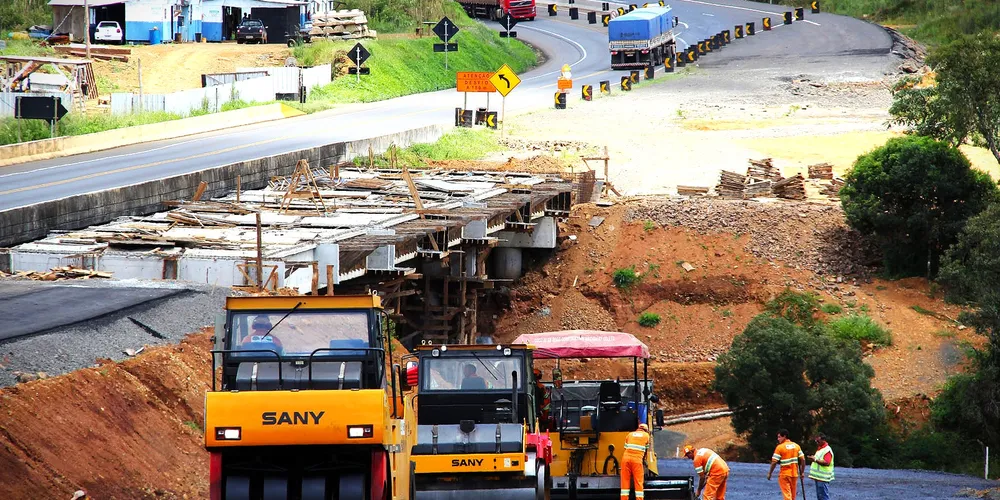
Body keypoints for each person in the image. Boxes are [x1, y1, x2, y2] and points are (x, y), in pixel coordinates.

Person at [768, 429, 806, 500]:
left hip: (784, 475)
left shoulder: (780, 447)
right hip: (794, 474)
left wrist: (770, 473)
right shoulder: (796, 446)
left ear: (784, 436)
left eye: (779, 437)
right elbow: (803, 459)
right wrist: (802, 472)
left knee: (787, 496)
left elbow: (774, 462)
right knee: (793, 496)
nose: (778, 439)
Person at [620, 423, 650, 500]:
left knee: (625, 481)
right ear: (646, 430)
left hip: (625, 460)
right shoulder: (646, 436)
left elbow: (626, 448)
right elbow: (646, 450)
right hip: (637, 460)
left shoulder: (630, 434)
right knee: (638, 482)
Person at [808, 434, 835, 500]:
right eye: (816, 440)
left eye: (818, 440)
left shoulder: (827, 450)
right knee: (820, 496)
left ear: (823, 440)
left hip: (823, 478)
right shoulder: (820, 449)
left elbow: (827, 462)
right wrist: (814, 459)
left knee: (823, 497)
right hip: (819, 477)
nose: (817, 442)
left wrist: (815, 459)